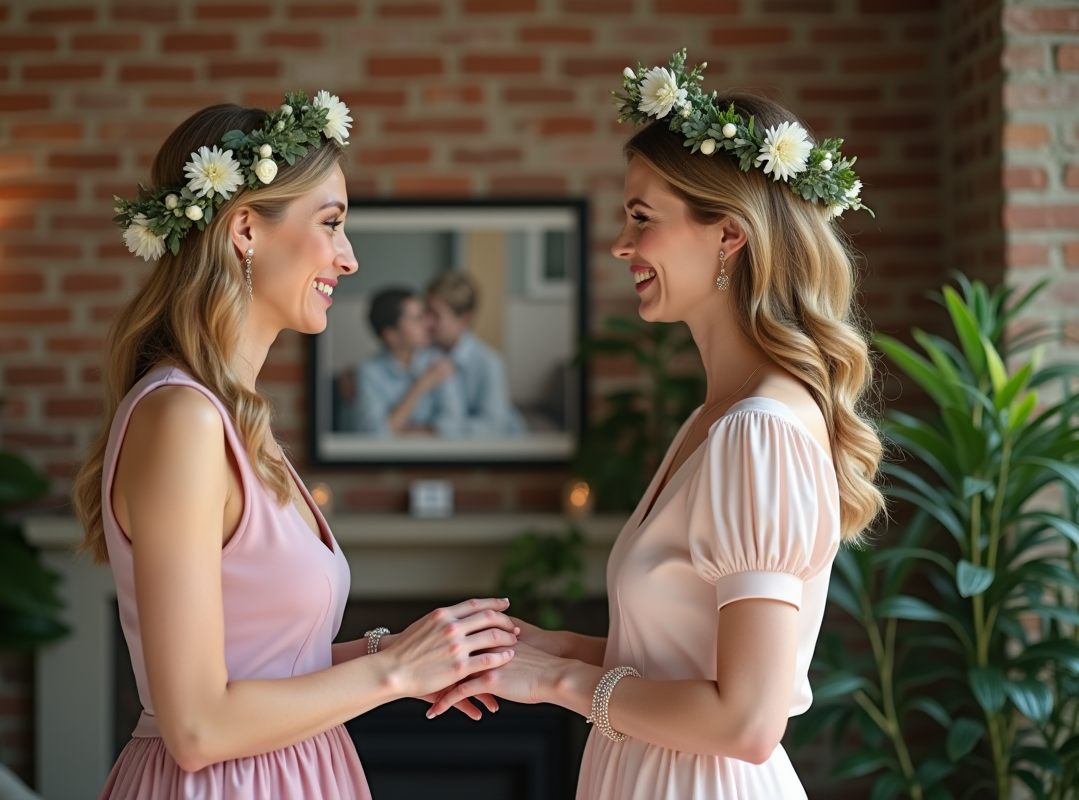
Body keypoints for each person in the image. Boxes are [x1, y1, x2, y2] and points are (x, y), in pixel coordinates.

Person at [427, 52, 885, 799]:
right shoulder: (712, 420)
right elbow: (676, 658)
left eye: (642, 219)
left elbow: (747, 720)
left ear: (729, 236)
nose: (621, 244)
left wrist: (555, 682)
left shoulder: (759, 431)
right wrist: (541, 647)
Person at [71, 98, 518, 800]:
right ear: (246, 228)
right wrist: (395, 672)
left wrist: (403, 652)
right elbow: (196, 728)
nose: (350, 257)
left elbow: (267, 665)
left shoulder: (235, 418)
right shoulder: (183, 419)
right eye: (332, 223)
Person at [425, 271, 527, 435]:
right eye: (426, 312)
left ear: (465, 319)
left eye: (436, 315)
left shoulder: (489, 363)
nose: (427, 322)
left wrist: (435, 430)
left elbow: (493, 426)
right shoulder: (425, 354)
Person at [353, 287, 465, 436]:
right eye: (417, 319)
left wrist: (398, 431)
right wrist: (421, 385)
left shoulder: (437, 361)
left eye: (424, 315)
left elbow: (454, 428)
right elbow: (376, 435)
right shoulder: (369, 372)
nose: (428, 323)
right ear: (391, 335)